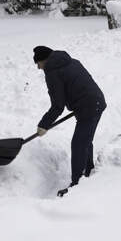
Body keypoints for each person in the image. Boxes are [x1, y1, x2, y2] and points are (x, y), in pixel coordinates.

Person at [33, 45, 106, 197]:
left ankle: (77, 184)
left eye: (38, 64)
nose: (38, 68)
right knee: (85, 140)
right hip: (97, 101)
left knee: (78, 144)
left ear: (43, 60)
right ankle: (88, 170)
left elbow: (58, 105)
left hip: (88, 106)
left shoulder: (52, 71)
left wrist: (44, 124)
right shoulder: (71, 61)